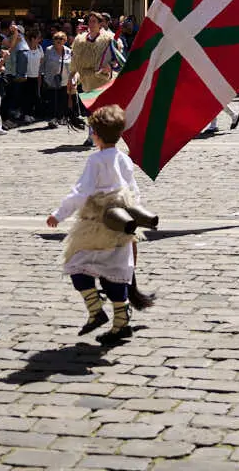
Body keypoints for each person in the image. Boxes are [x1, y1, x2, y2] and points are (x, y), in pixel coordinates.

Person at [46, 105, 152, 345]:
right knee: (116, 272)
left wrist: (59, 214)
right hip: (121, 224)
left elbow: (80, 192)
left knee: (76, 265)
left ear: (96, 134)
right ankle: (121, 322)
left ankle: (95, 309)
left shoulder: (96, 160)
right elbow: (133, 191)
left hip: (96, 226)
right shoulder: (124, 158)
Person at [70, 13, 117, 145]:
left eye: (94, 21)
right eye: (89, 21)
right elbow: (75, 61)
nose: (91, 24)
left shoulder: (109, 39)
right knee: (90, 109)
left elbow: (117, 58)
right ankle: (92, 135)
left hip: (103, 79)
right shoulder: (80, 41)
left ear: (100, 23)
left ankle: (104, 134)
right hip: (86, 79)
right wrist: (71, 77)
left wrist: (111, 65)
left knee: (102, 109)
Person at [42, 31, 75, 128]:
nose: (58, 40)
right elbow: (43, 64)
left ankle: (60, 117)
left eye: (61, 39)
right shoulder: (48, 50)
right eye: (56, 38)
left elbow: (72, 66)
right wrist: (43, 76)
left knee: (62, 100)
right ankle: (53, 119)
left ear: (65, 40)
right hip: (51, 80)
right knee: (53, 99)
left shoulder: (68, 51)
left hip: (64, 80)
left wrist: (72, 79)